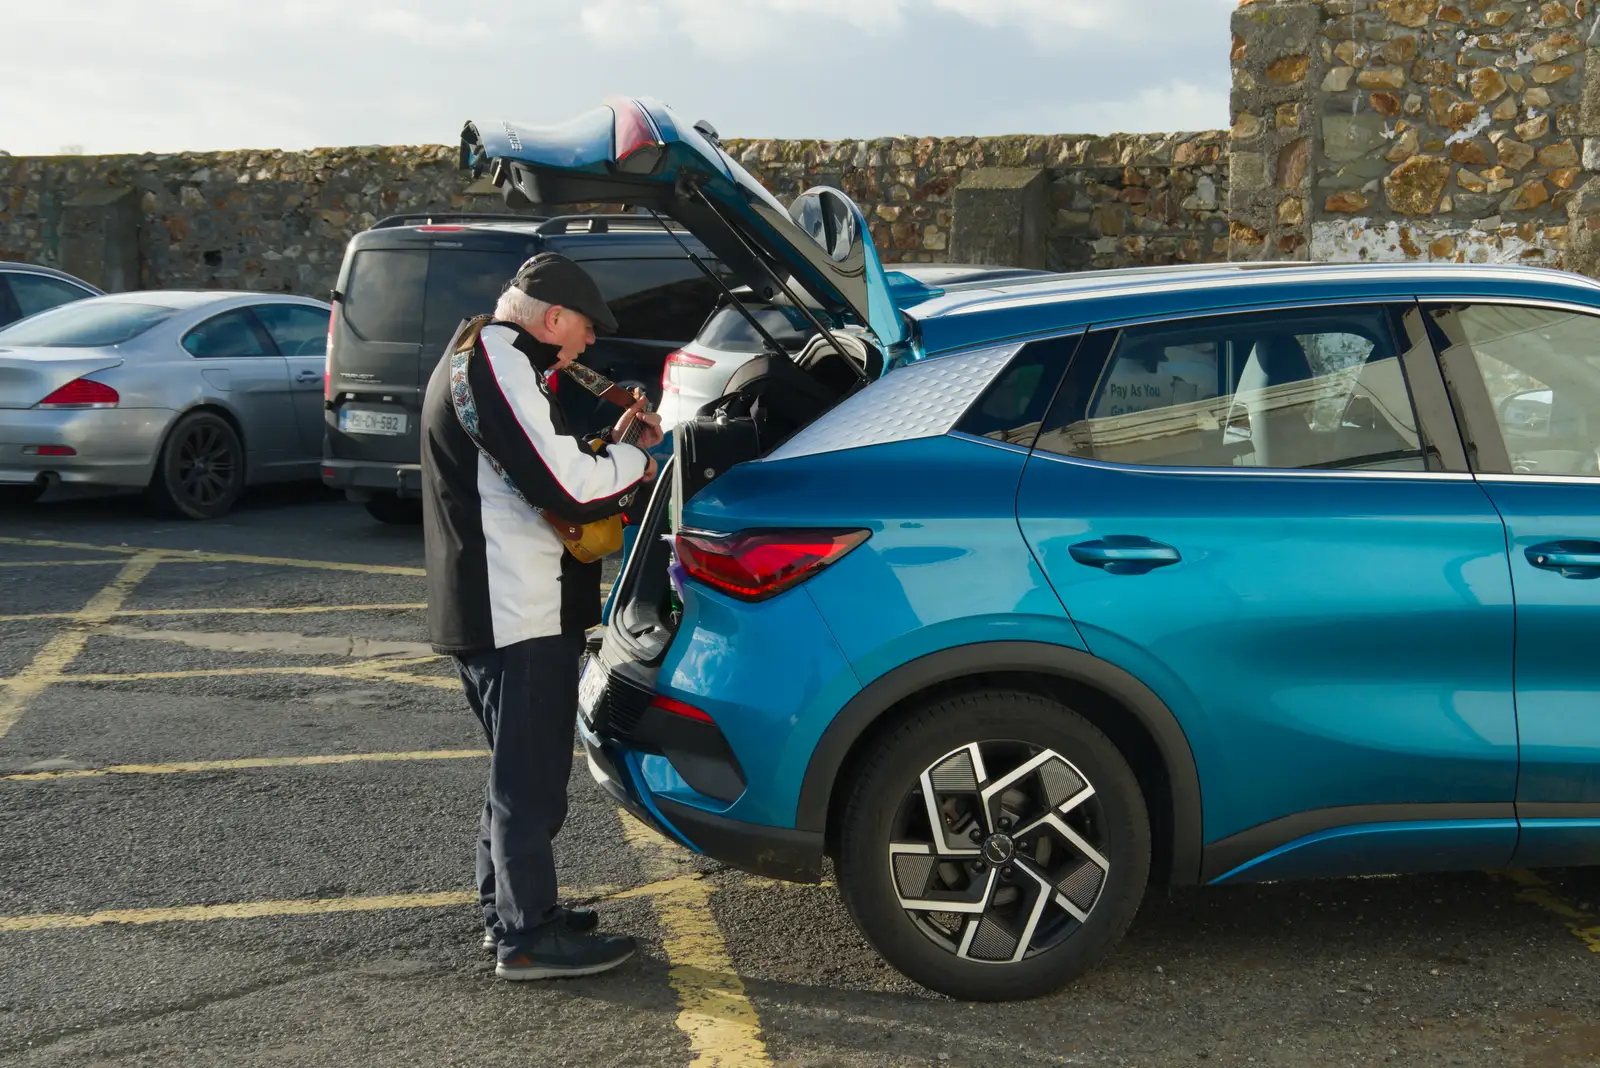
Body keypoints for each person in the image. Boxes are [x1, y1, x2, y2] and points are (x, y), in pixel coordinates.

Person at [419, 252, 663, 980]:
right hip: (514, 608)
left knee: (514, 775)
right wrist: (639, 467)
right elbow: (560, 484)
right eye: (585, 328)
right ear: (553, 316)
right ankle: (527, 938)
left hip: (501, 602)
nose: (587, 344)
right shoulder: (493, 362)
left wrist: (611, 449)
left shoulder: (484, 356)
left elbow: (531, 464)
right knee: (530, 782)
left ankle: (511, 915)